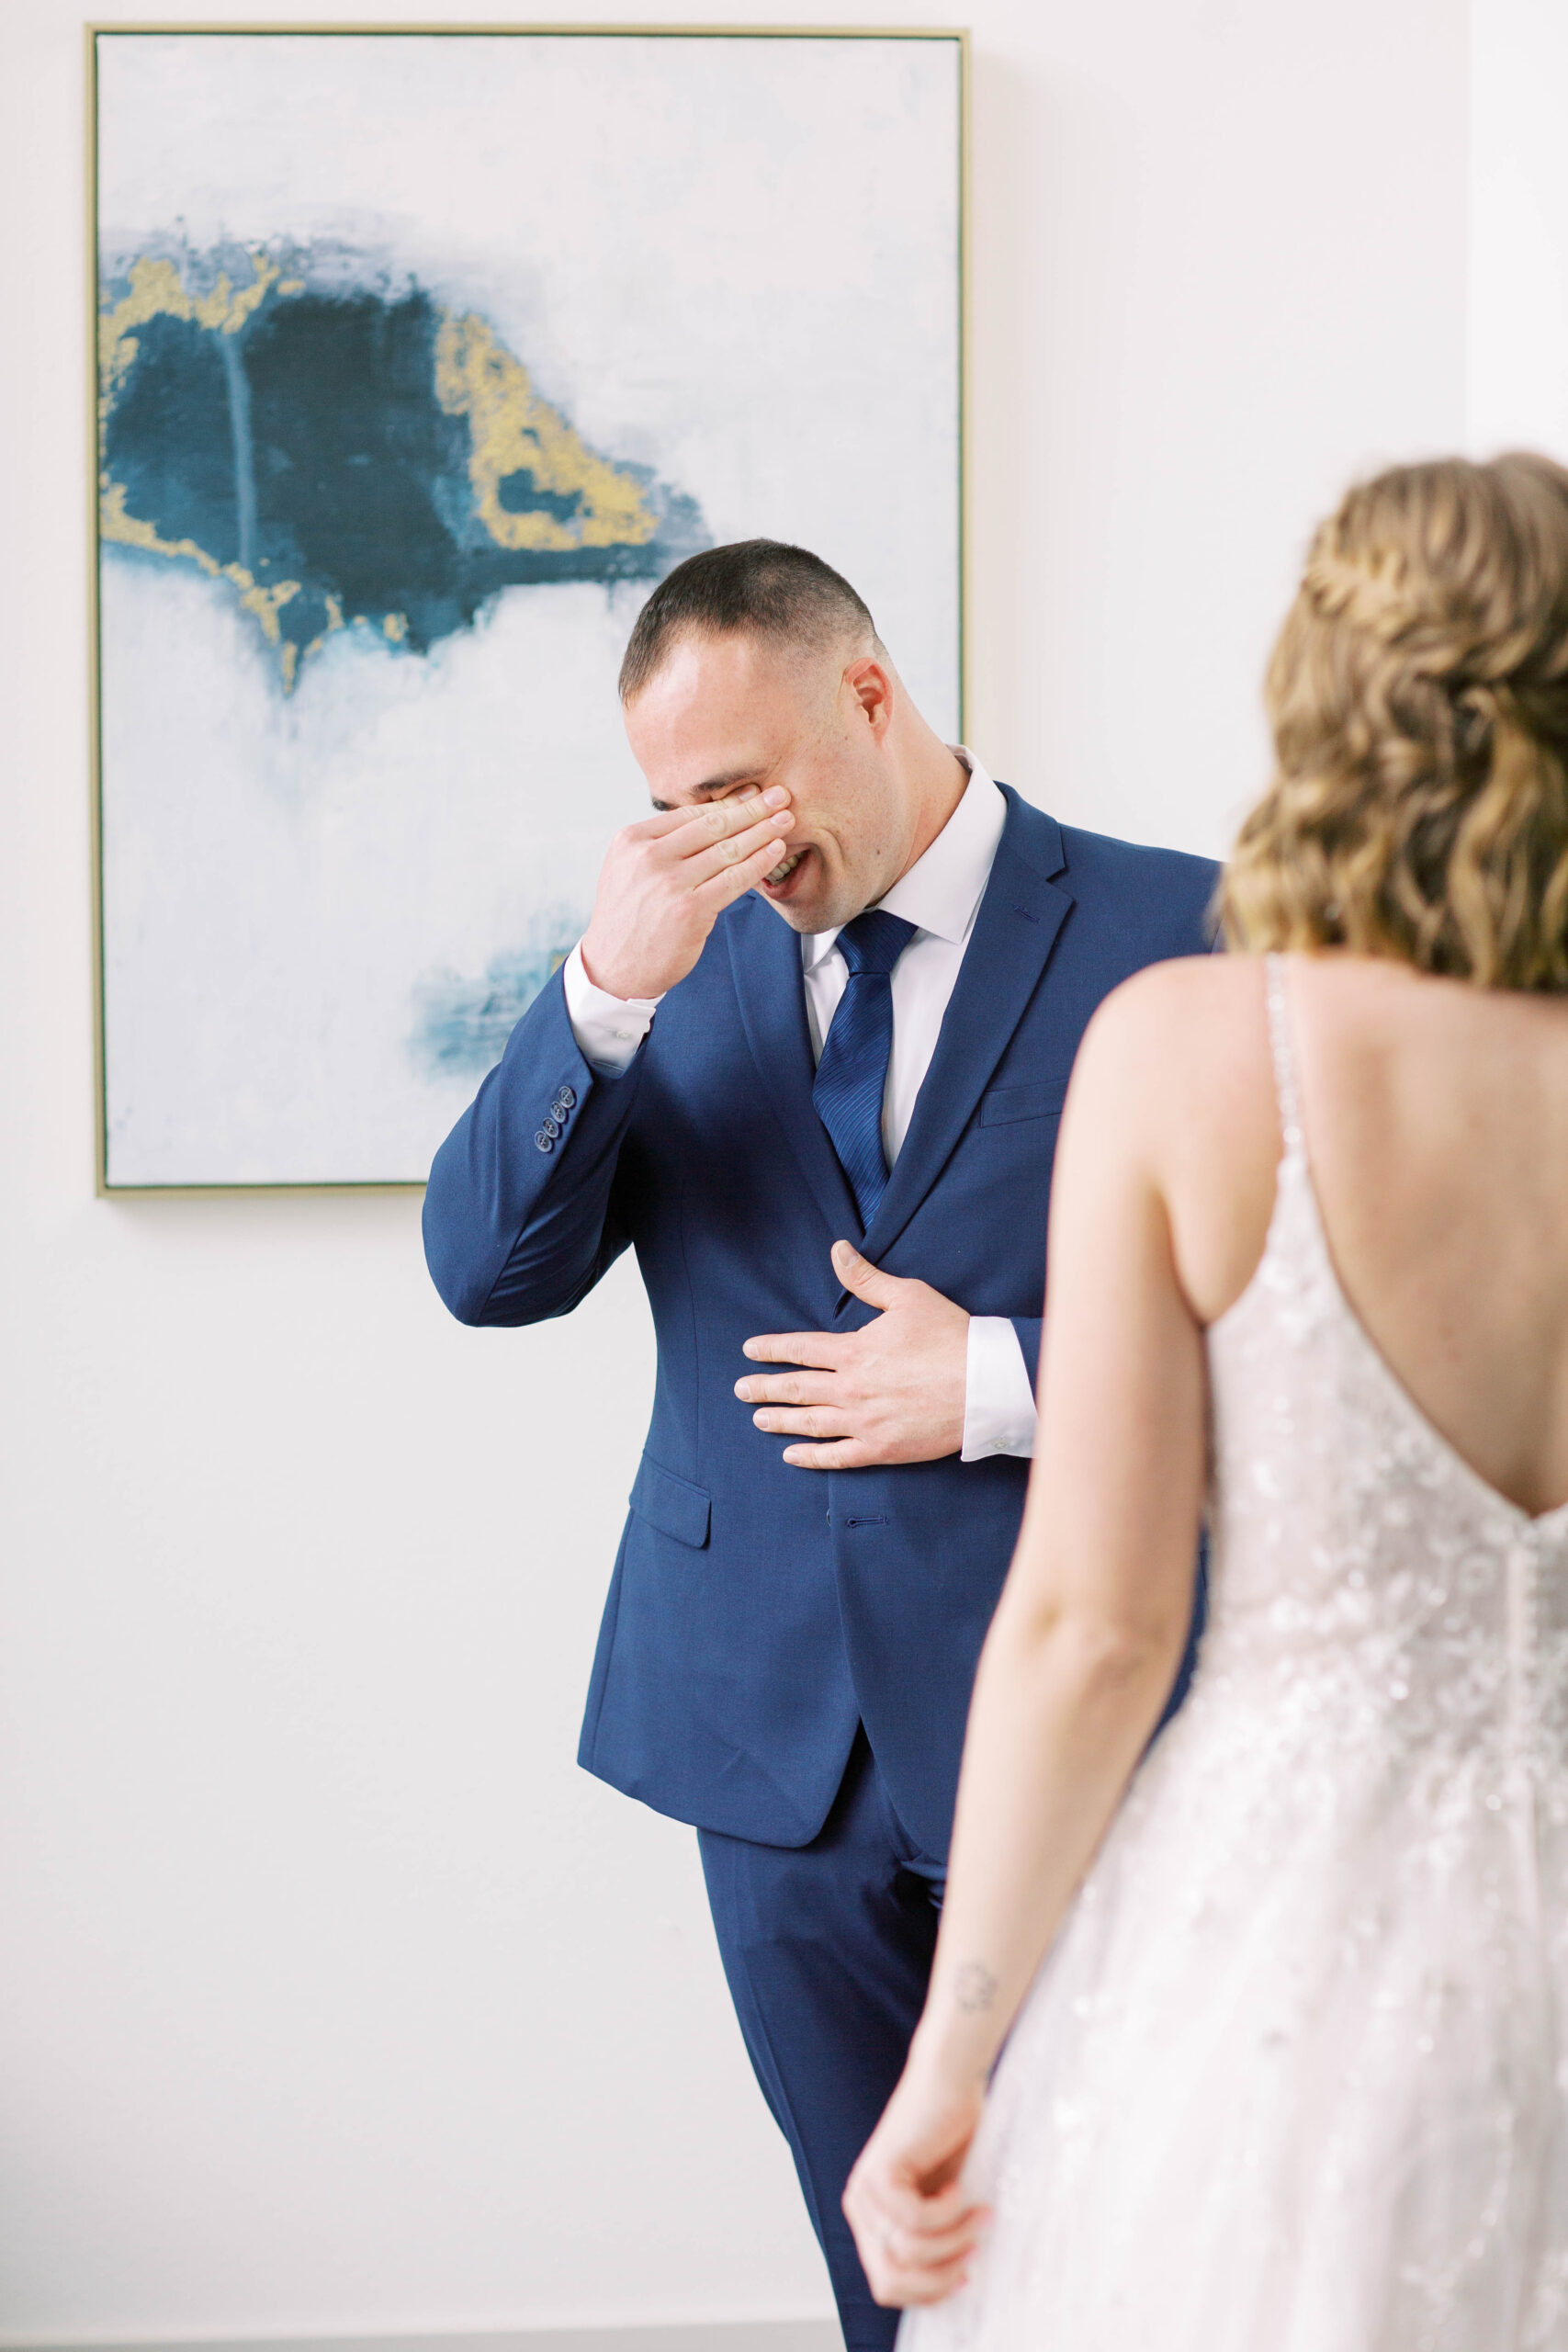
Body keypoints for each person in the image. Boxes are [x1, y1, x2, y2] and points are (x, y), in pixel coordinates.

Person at [422, 540, 1218, 2348]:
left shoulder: (1176, 931)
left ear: (867, 694)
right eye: (667, 803)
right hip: (767, 1752)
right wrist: (597, 995)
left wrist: (1005, 1376)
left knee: (1115, 2259)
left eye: (741, 787)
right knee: (886, 2278)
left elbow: (1299, 1328)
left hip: (1078, 1722)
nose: (718, 842)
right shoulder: (659, 964)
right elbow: (483, 1269)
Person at [843, 453, 1568, 2351]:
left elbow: (1091, 1625)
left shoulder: (1191, 1049)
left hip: (1293, 1955)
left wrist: (953, 2050)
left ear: (1320, 697)